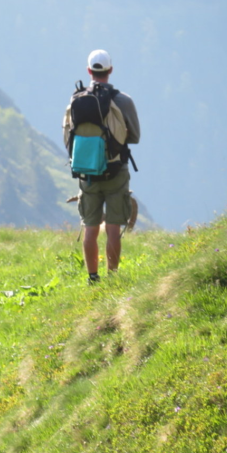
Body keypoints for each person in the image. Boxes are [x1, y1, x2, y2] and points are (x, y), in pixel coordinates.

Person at [63, 49, 140, 283]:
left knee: (90, 227)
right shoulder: (123, 100)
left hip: (86, 172)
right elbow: (134, 136)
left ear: (89, 71)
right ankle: (113, 278)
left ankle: (92, 277)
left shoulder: (76, 99)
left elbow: (68, 137)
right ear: (110, 70)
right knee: (114, 228)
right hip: (116, 170)